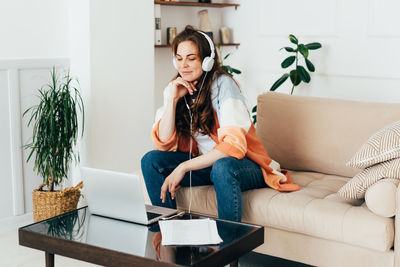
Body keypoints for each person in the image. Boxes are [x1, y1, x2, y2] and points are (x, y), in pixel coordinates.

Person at [141, 25, 299, 222]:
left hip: (244, 166)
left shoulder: (224, 85)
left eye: (191, 58)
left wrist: (183, 168)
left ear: (207, 61)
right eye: (179, 59)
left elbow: (232, 147)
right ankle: (168, 237)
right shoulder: (176, 88)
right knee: (150, 160)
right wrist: (171, 101)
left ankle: (228, 248)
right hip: (208, 166)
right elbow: (162, 143)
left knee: (222, 167)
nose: (184, 65)